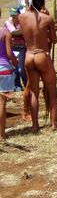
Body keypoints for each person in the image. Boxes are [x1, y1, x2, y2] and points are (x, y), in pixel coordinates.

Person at [18, 0, 57, 132]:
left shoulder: (21, 17)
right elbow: (54, 40)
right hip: (42, 54)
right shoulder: (47, 18)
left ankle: (35, 125)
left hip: (29, 55)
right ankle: (54, 124)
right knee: (52, 90)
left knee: (34, 91)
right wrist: (50, 29)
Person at [0, 10, 18, 140]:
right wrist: (16, 63)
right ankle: (2, 134)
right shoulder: (5, 32)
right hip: (4, 69)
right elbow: (9, 53)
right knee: (2, 103)